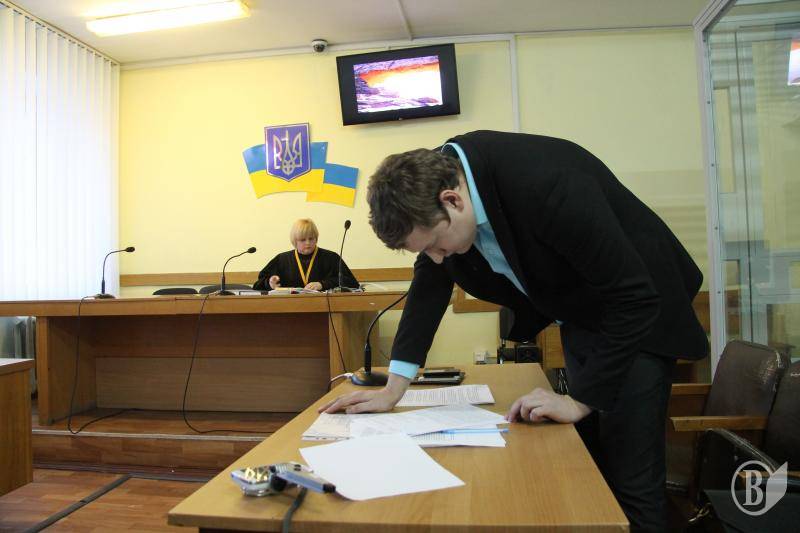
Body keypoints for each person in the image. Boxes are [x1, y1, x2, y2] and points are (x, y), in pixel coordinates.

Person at [319, 131, 709, 532]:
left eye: (435, 243)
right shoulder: (432, 182)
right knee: (591, 467)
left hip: (641, 312)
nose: (435, 257)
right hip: (582, 313)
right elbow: (429, 286)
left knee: (630, 483)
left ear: (453, 200)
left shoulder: (546, 183)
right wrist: (394, 388)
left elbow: (634, 296)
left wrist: (580, 399)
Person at [253, 218, 358, 291]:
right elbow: (258, 284)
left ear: (316, 238)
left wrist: (322, 284)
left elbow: (351, 282)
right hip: (289, 308)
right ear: (295, 241)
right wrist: (269, 283)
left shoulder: (331, 257)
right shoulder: (282, 259)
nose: (308, 243)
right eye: (303, 240)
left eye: (311, 239)